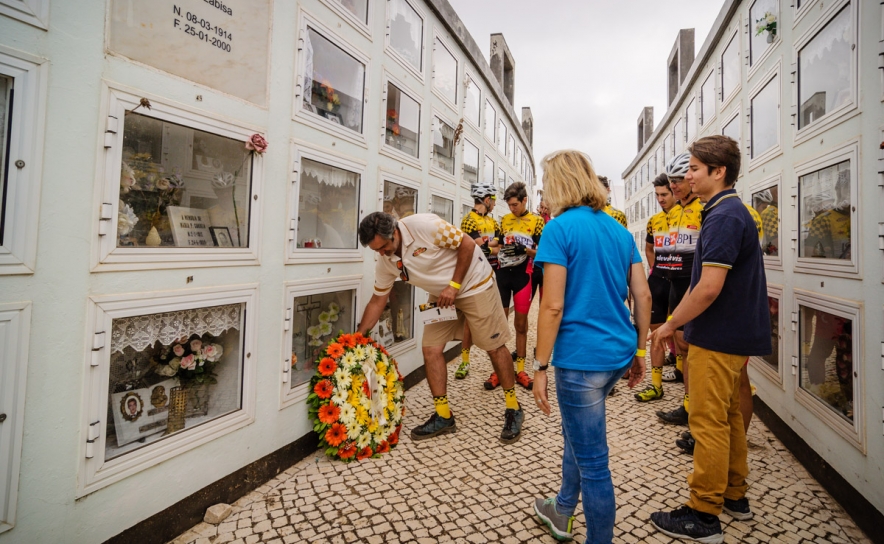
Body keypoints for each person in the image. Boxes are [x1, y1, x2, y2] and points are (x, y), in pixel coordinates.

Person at [649, 135, 770, 543]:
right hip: (732, 336)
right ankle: (734, 494)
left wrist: (670, 324)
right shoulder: (728, 211)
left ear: (718, 172)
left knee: (707, 423)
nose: (687, 176)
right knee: (729, 417)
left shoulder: (723, 216)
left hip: (718, 338)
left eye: (695, 169)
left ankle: (703, 515)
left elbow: (707, 288)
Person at [530, 150, 650, 543]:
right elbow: (643, 295)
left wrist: (540, 367)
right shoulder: (619, 230)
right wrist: (640, 353)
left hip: (580, 360)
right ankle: (563, 508)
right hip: (617, 353)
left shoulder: (558, 229)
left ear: (558, 184)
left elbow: (552, 306)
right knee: (578, 436)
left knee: (595, 462)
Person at [356, 212, 525, 444]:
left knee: (493, 346)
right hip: (441, 295)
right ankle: (444, 415)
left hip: (474, 284)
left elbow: (467, 243)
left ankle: (513, 408)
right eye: (376, 250)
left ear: (394, 232)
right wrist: (358, 337)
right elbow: (377, 301)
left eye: (384, 247)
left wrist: (453, 286)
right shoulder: (385, 261)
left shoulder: (425, 226)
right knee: (430, 349)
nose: (382, 254)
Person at [483, 182, 544, 391]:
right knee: (499, 324)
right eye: (509, 205)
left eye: (515, 205)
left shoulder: (537, 221)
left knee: (520, 325)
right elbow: (498, 245)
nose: (512, 209)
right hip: (502, 275)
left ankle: (520, 371)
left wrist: (524, 250)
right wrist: (483, 246)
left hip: (522, 276)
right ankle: (499, 370)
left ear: (525, 200)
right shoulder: (505, 219)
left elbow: (543, 252)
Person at [634, 174, 677, 403]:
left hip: (680, 281)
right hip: (659, 279)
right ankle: (656, 386)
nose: (660, 199)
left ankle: (681, 372)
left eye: (664, 194)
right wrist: (656, 269)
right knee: (656, 333)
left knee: (682, 337)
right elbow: (649, 248)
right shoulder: (654, 221)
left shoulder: (691, 215)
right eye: (657, 195)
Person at [456, 183, 500, 380]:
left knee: (493, 319)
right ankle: (465, 361)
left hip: (493, 272)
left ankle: (496, 364)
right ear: (487, 200)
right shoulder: (468, 220)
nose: (495, 204)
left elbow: (496, 247)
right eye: (493, 200)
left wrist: (489, 246)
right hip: (474, 274)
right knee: (469, 321)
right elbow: (479, 248)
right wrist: (491, 246)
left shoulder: (493, 222)